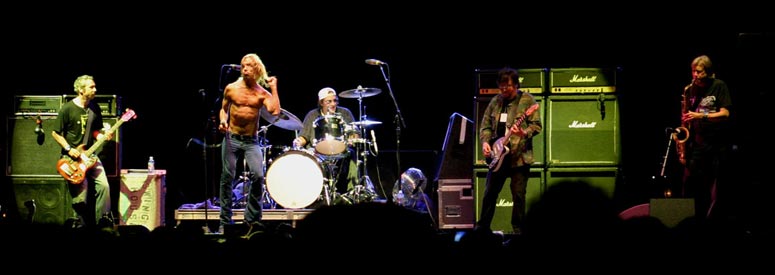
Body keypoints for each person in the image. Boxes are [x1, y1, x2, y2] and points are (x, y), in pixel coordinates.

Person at [218, 53, 281, 234]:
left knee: (258, 175)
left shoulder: (261, 93)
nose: (245, 69)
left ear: (257, 69)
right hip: (232, 138)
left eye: (249, 66)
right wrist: (223, 121)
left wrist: (274, 88)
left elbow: (274, 111)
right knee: (227, 177)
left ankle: (252, 219)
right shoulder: (231, 88)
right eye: (243, 65)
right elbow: (223, 110)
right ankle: (224, 221)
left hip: (251, 141)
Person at [475, 67, 542, 235]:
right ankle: (482, 230)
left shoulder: (527, 101)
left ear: (516, 85)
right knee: (489, 193)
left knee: (518, 196)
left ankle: (518, 232)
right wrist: (485, 143)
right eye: (502, 86)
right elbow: (485, 127)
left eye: (508, 86)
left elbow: (537, 126)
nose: (504, 89)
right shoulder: (495, 101)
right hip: (498, 156)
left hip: (519, 158)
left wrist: (523, 132)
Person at [55, 74, 114, 228]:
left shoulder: (94, 107)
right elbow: (55, 133)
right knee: (81, 194)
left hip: (90, 155)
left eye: (94, 86)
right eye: (91, 87)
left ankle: (103, 221)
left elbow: (95, 131)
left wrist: (102, 136)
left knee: (104, 186)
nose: (95, 89)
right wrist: (69, 148)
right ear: (81, 90)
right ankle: (78, 224)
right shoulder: (67, 108)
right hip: (72, 158)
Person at [679, 55, 732, 220]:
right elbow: (686, 115)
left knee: (712, 188)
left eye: (699, 72)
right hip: (696, 145)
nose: (695, 75)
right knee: (691, 187)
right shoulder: (690, 89)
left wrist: (700, 116)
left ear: (708, 72)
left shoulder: (719, 86)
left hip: (715, 146)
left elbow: (725, 113)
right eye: (693, 71)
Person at [293, 87, 359, 204]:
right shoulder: (312, 115)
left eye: (335, 100)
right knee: (306, 155)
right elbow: (304, 137)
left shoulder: (345, 113)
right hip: (316, 150)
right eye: (329, 101)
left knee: (352, 154)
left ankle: (352, 193)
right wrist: (299, 141)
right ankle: (310, 195)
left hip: (340, 149)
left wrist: (352, 138)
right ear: (321, 103)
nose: (333, 104)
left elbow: (355, 134)